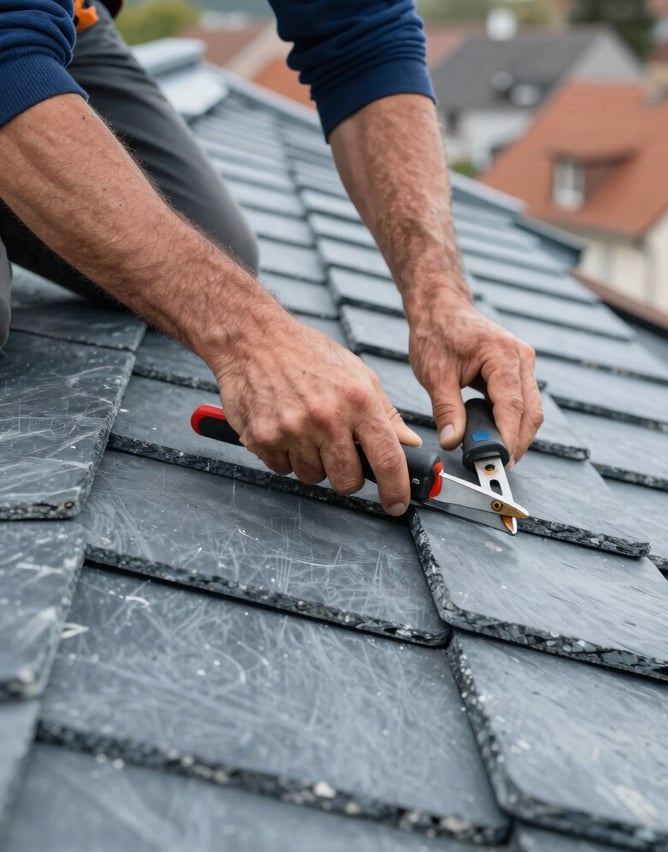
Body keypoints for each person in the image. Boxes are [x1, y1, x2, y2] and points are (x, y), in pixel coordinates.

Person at [0, 0, 543, 517]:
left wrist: (438, 295)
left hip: (55, 19)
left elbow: (363, 39)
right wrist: (251, 339)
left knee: (203, 243)